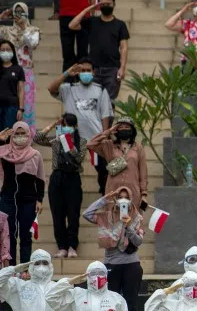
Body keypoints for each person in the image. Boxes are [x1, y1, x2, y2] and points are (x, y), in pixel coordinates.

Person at [82, 186, 143, 311]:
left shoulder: (136, 217)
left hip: (131, 264)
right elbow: (86, 214)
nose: (123, 200)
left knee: (130, 301)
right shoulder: (105, 217)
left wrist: (128, 226)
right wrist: (105, 199)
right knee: (111, 302)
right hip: (111, 264)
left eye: (126, 198)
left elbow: (138, 242)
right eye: (120, 197)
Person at [48, 58, 113, 192]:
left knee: (102, 168)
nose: (85, 73)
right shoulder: (68, 89)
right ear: (77, 72)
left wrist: (105, 135)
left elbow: (105, 114)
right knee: (68, 165)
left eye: (88, 70)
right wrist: (67, 73)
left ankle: (104, 193)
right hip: (72, 138)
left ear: (93, 72)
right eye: (82, 70)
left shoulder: (100, 90)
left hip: (95, 139)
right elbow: (51, 88)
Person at [35, 114, 87, 258]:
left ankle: (72, 246)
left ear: (75, 127)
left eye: (68, 124)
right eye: (63, 124)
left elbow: (79, 158)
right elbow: (37, 138)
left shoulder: (81, 141)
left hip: (73, 179)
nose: (66, 127)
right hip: (57, 177)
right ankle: (62, 246)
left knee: (73, 214)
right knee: (57, 214)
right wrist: (53, 124)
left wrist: (68, 143)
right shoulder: (56, 141)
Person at [67, 0, 129, 100]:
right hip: (94, 69)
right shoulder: (92, 21)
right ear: (98, 5)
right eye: (102, 4)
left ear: (114, 4)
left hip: (112, 69)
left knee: (109, 102)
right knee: (91, 101)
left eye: (108, 4)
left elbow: (124, 47)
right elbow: (72, 25)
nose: (106, 6)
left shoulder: (120, 25)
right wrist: (89, 9)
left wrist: (122, 67)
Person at [0, 123, 45, 264]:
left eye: (23, 134)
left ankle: (25, 268)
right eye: (17, 134)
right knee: (10, 235)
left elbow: (40, 179)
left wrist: (40, 200)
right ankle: (12, 268)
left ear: (28, 134)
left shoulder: (35, 154)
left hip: (28, 200)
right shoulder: (4, 152)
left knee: (26, 235)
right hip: (8, 199)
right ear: (12, 135)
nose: (20, 137)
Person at [86, 116, 147, 208]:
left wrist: (144, 194)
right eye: (121, 127)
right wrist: (108, 132)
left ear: (132, 130)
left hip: (133, 191)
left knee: (132, 220)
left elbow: (143, 173)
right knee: (113, 219)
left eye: (127, 127)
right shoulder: (109, 145)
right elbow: (90, 144)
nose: (124, 129)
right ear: (116, 130)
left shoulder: (138, 148)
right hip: (113, 191)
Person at [0, 3, 41, 130]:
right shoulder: (6, 30)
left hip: (26, 70)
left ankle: (26, 133)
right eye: (15, 12)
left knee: (26, 104)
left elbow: (33, 44)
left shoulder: (33, 30)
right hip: (8, 69)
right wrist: (1, 18)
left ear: (26, 13)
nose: (18, 15)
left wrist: (24, 27)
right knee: (10, 101)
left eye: (21, 12)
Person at [164, 0, 197, 65]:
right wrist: (183, 10)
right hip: (188, 59)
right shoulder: (187, 24)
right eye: (195, 7)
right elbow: (168, 25)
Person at [0, 39, 25, 128]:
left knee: (9, 134)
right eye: (2, 50)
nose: (5, 52)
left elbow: (21, 90)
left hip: (11, 107)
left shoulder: (18, 69)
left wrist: (21, 109)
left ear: (13, 52)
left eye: (8, 49)